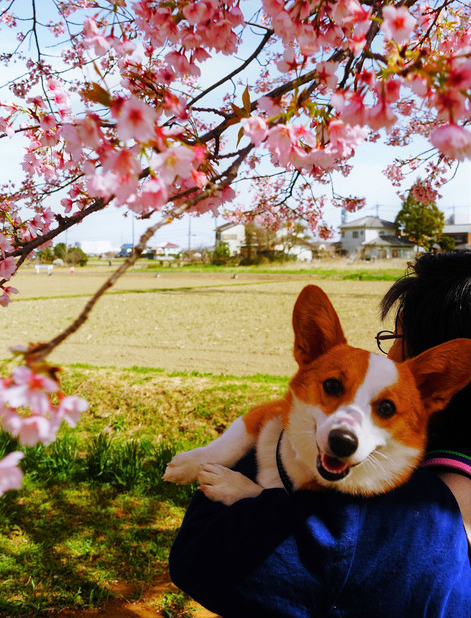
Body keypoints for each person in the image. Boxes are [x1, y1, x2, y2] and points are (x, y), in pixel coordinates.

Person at [168, 251, 471, 618]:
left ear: (435, 380)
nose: (389, 356)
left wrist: (280, 442)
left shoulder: (388, 518)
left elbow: (198, 553)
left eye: (399, 336)